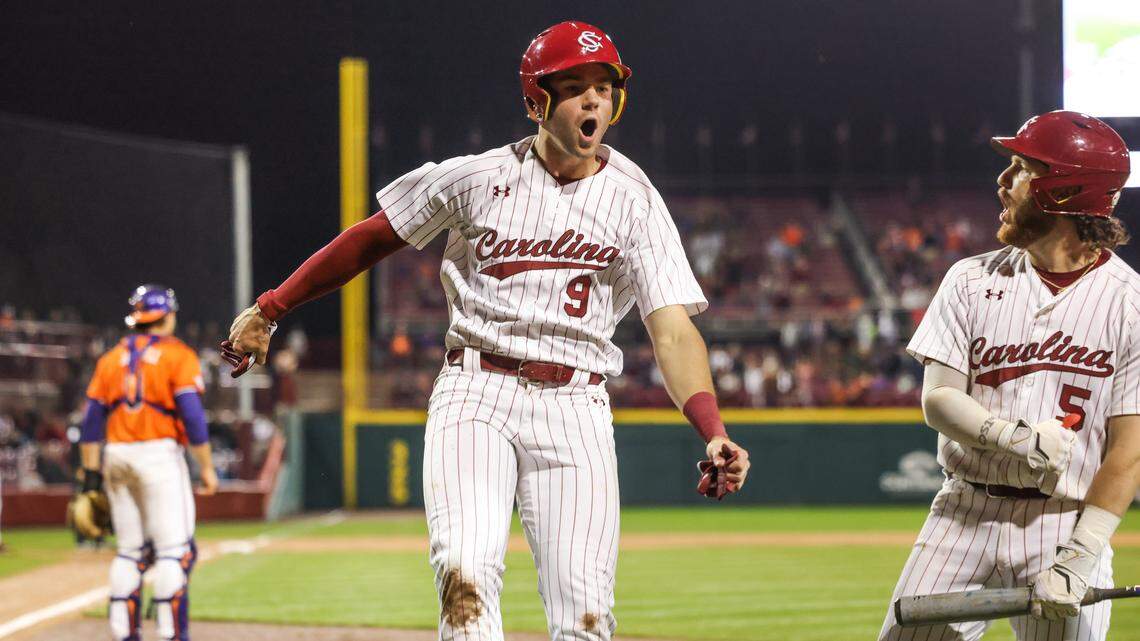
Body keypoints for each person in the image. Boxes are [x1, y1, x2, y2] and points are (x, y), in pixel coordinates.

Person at [222, 20, 750, 641]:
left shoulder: (637, 199)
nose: (592, 100)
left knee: (586, 615)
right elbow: (367, 239)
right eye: (574, 86)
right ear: (537, 101)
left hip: (577, 405)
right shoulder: (475, 178)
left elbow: (673, 331)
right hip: (477, 392)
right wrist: (270, 308)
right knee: (465, 577)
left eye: (603, 87)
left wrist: (712, 429)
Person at [878, 110, 1137, 640]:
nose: (1003, 180)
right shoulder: (970, 279)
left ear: (1063, 191)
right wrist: (1016, 439)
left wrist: (1082, 554)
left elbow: (1128, 451)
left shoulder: (1130, 303)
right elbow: (939, 400)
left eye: (1021, 167)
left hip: (1065, 522)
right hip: (962, 512)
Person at [80, 284, 217, 641]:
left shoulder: (110, 359)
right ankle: (172, 635)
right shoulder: (178, 355)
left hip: (117, 455)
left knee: (128, 552)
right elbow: (193, 417)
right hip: (158, 455)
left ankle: (124, 634)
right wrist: (205, 466)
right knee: (176, 553)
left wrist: (90, 477)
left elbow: (91, 424)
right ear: (167, 315)